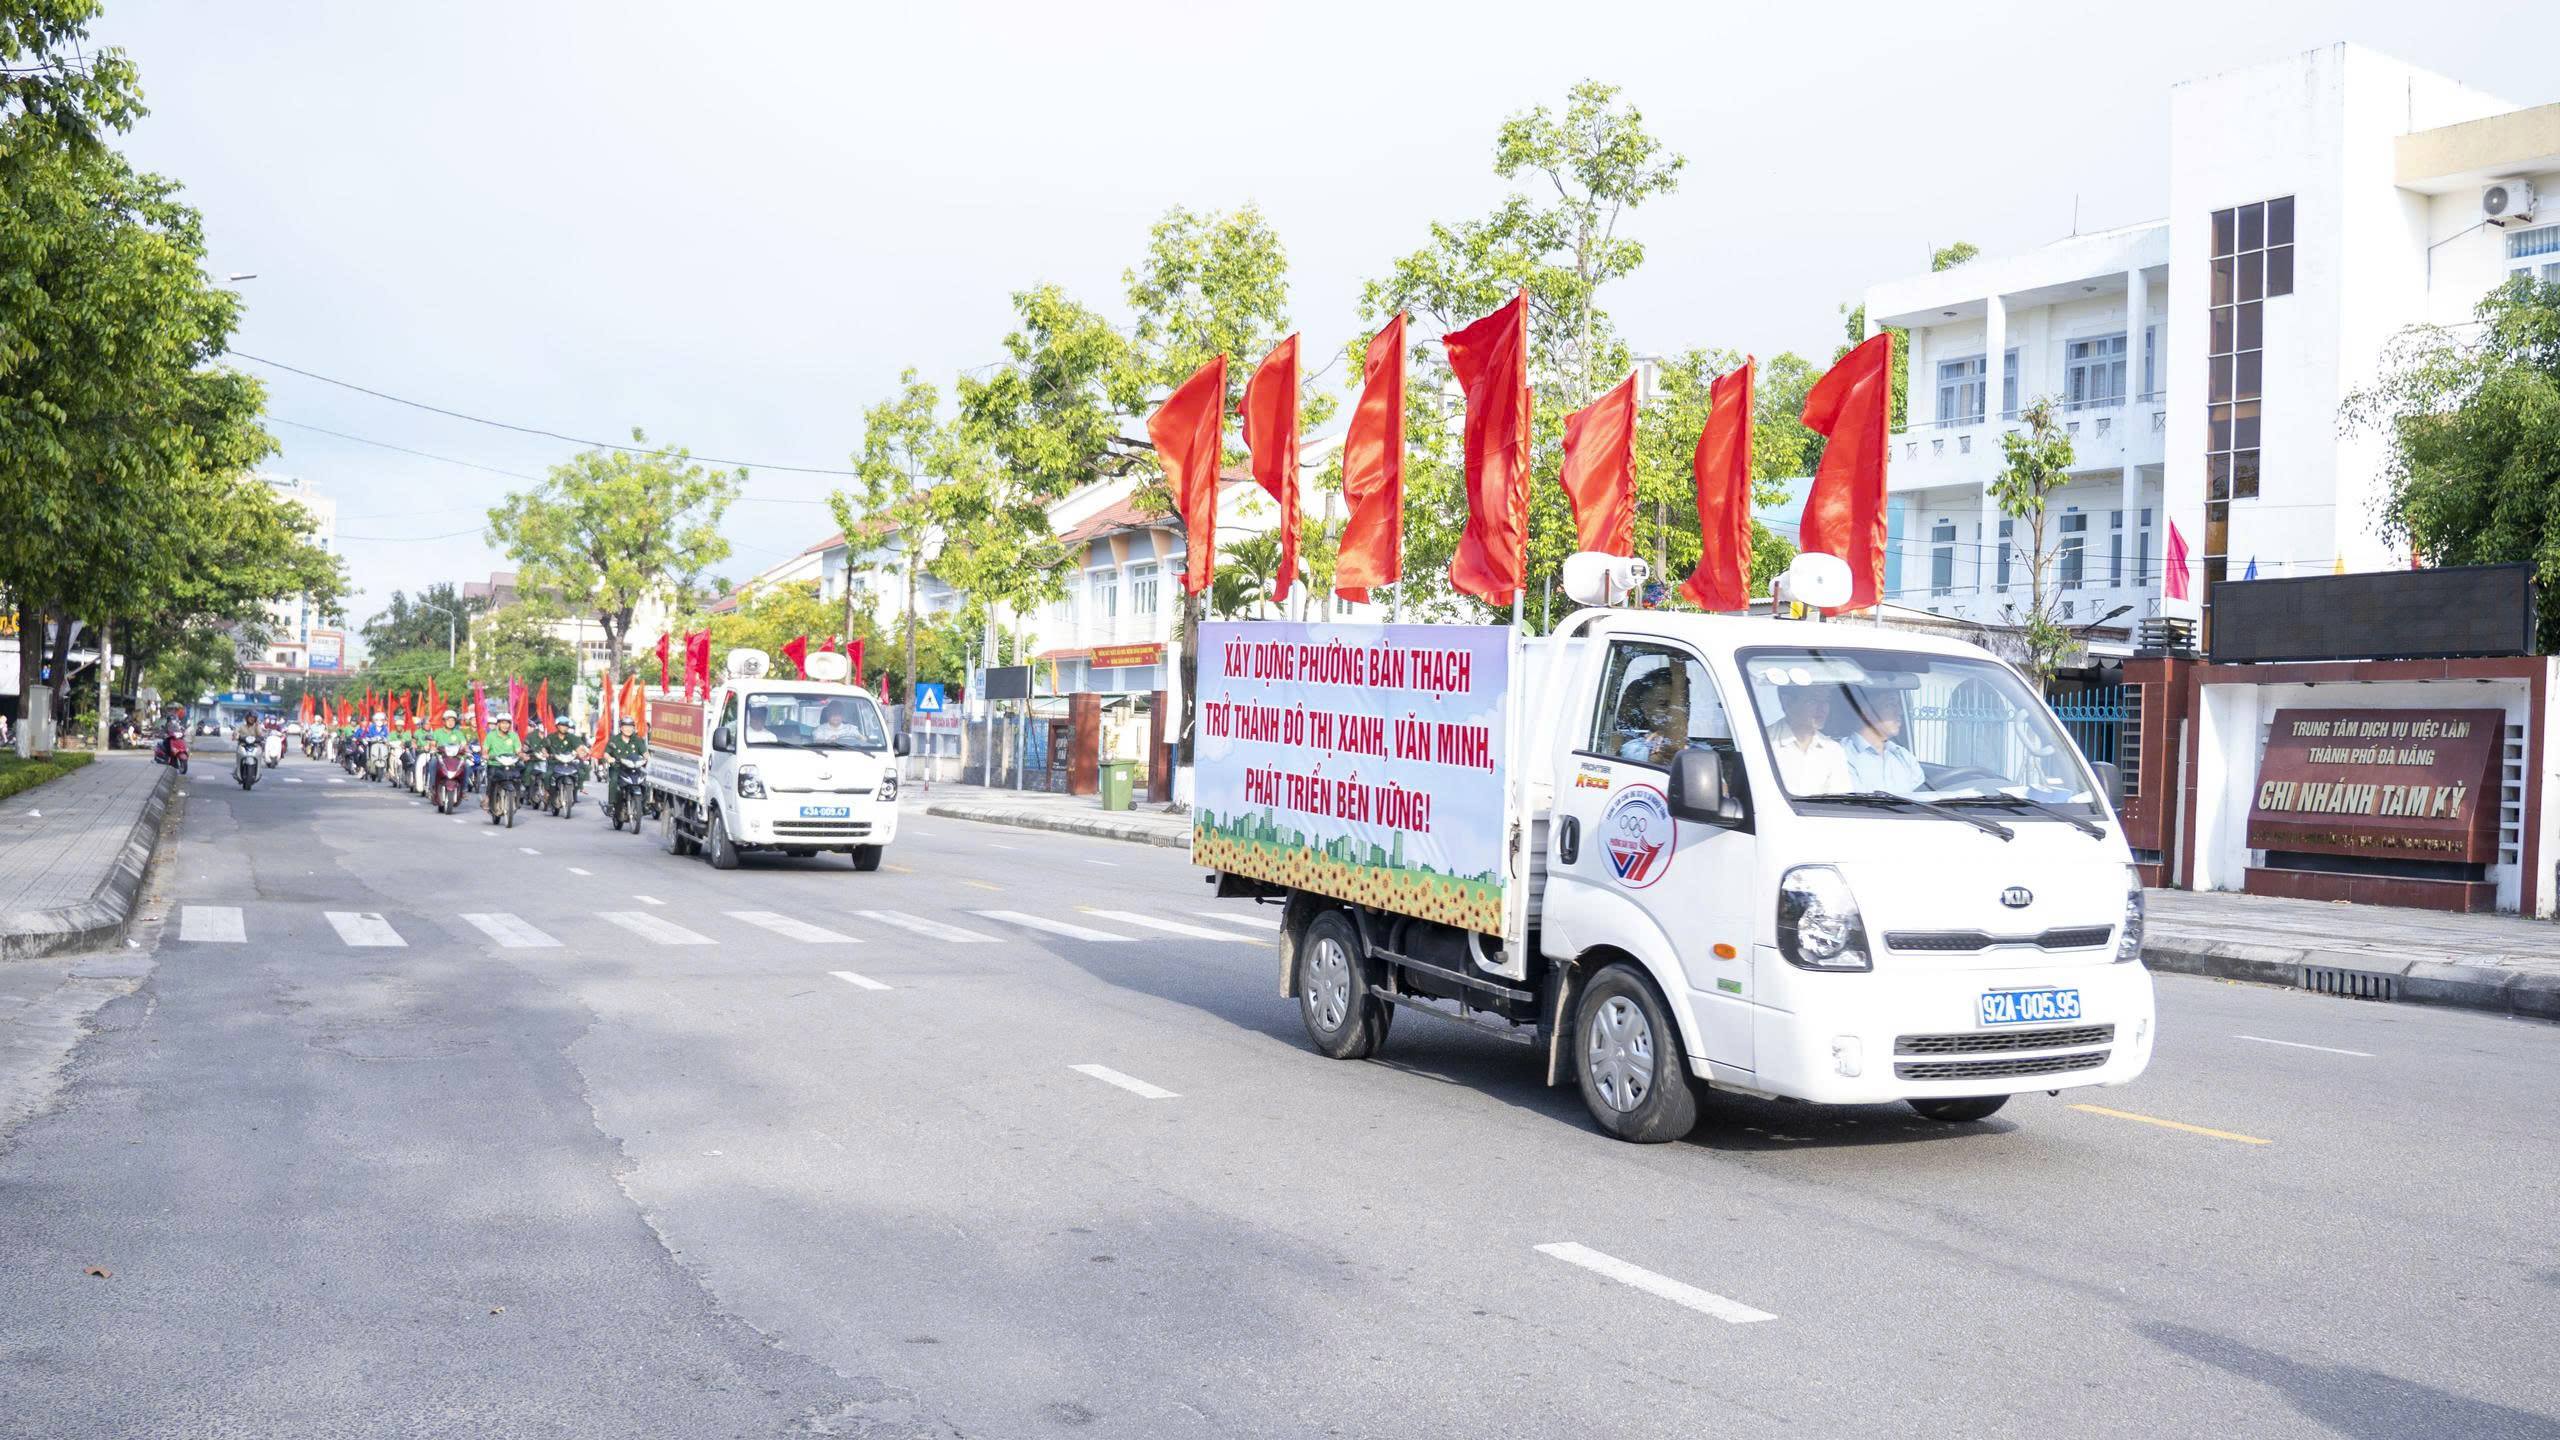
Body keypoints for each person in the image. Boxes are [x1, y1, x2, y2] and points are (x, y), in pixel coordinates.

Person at [1764, 684, 1856, 795]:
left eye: (1826, 701)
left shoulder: (1833, 750)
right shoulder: (1763, 742)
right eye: (1813, 701)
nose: (1822, 709)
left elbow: (1841, 800)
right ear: (1787, 702)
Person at [1841, 689, 1927, 795]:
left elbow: (1923, 799)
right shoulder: (1843, 755)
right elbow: (1855, 806)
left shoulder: (1903, 756)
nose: (1899, 712)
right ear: (1866, 713)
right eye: (1890, 705)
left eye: (1898, 705)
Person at [1610, 670, 1686, 767]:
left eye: (1682, 707)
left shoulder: (1698, 746)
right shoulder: (1634, 749)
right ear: (1645, 708)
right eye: (1663, 704)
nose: (1674, 713)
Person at [603, 713, 646, 819]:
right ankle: (612, 805)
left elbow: (645, 753)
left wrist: (647, 759)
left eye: (630, 726)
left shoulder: (638, 740)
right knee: (613, 781)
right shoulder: (614, 740)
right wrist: (609, 758)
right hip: (618, 768)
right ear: (621, 728)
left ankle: (644, 806)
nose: (628, 729)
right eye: (625, 726)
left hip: (634, 768)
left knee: (646, 782)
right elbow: (606, 753)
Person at [483, 714, 524, 813]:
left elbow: (518, 750)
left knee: (518, 776)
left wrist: (522, 755)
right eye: (503, 723)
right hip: (495, 764)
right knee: (492, 778)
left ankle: (517, 798)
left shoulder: (514, 736)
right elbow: (485, 750)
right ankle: (488, 799)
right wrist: (485, 755)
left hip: (510, 764)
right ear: (498, 724)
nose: (505, 725)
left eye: (507, 723)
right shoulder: (491, 735)